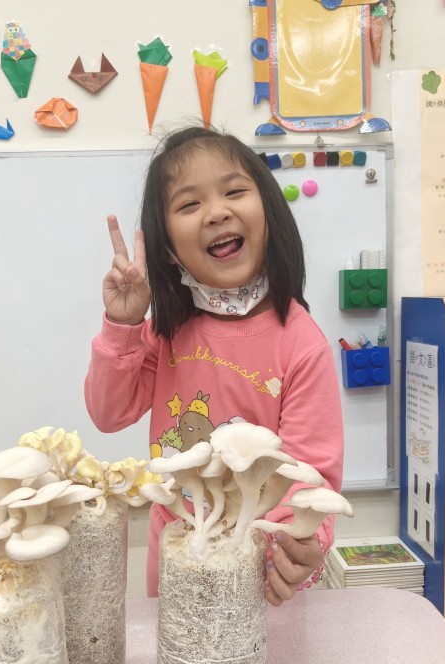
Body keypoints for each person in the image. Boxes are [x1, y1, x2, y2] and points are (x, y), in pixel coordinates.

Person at [85, 126, 343, 606]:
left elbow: (312, 474)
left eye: (234, 191)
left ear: (269, 213)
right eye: (189, 204)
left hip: (261, 575)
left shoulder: (302, 343)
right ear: (167, 248)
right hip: (176, 563)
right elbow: (108, 413)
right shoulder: (165, 333)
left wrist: (299, 544)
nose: (217, 212)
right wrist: (123, 324)